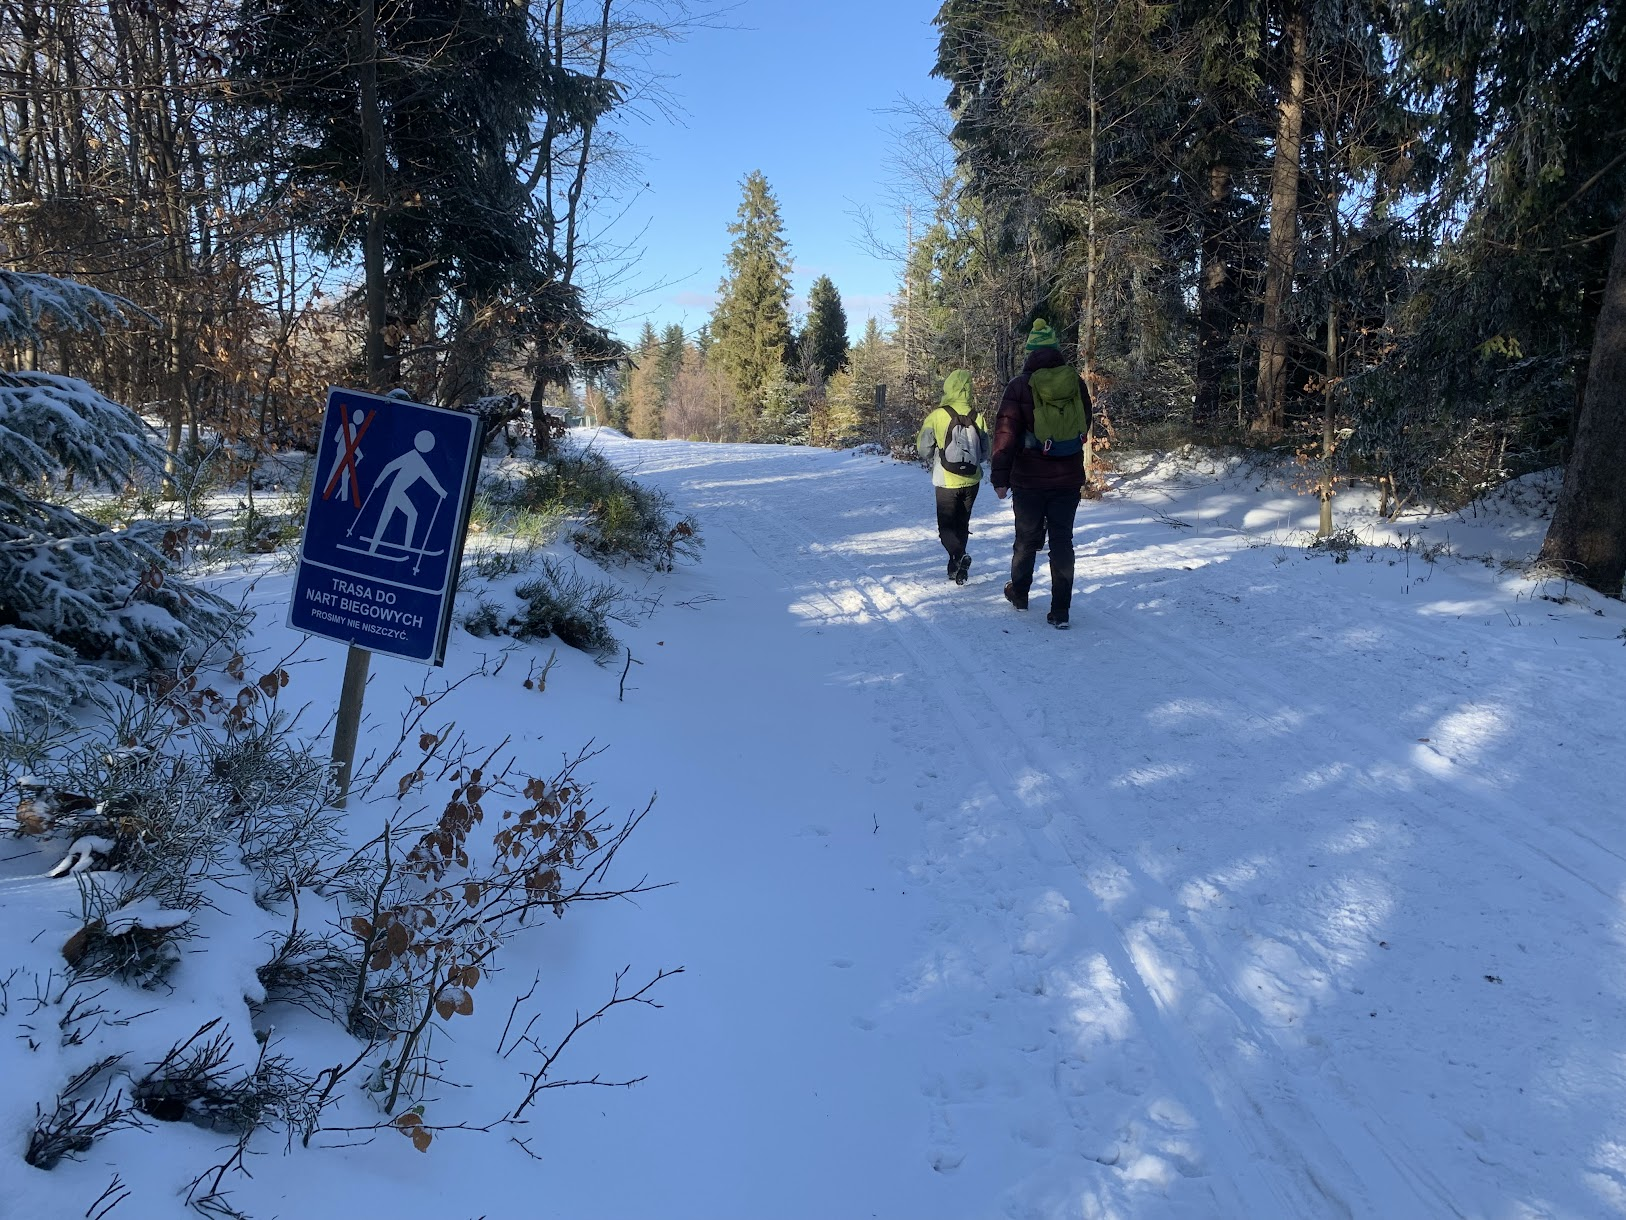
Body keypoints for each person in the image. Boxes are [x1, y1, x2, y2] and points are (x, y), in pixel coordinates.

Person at [989, 319, 1095, 629]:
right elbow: (1083, 422)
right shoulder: (1074, 382)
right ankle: (1060, 611)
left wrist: (1000, 477)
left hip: (1028, 478)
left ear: (1029, 353)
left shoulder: (1019, 386)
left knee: (1026, 539)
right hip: (1067, 476)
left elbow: (1005, 434)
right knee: (1062, 542)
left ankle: (1020, 593)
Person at [916, 369, 988, 585]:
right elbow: (985, 452)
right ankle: (955, 568)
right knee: (962, 524)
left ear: (948, 387)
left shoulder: (937, 415)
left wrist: (935, 454)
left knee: (946, 528)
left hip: (946, 480)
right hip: (972, 480)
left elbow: (923, 449)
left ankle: (958, 557)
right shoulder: (978, 417)